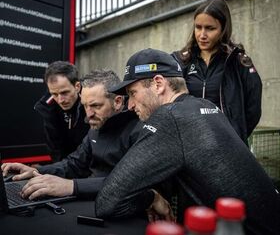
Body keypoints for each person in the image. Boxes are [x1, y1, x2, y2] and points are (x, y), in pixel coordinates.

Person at [94, 48, 280, 235]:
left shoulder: (171, 117)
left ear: (158, 84)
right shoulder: (206, 105)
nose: (130, 105)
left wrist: (151, 198)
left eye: (133, 93)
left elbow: (108, 201)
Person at [1, 70, 143, 200]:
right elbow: (74, 164)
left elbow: (129, 181)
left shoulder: (138, 129)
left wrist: (71, 186)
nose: (89, 114)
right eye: (85, 105)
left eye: (95, 106)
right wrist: (35, 170)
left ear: (118, 102)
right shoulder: (97, 124)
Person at [171, 0, 262, 145]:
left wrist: (234, 135)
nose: (202, 35)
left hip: (227, 146)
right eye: (198, 27)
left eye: (210, 28)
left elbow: (253, 109)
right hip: (189, 144)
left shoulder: (238, 62)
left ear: (223, 29)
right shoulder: (181, 61)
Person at [34, 61, 90, 162]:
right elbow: (55, 150)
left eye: (64, 92)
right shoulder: (47, 108)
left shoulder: (92, 101)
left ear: (77, 86)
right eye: (54, 94)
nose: (60, 100)